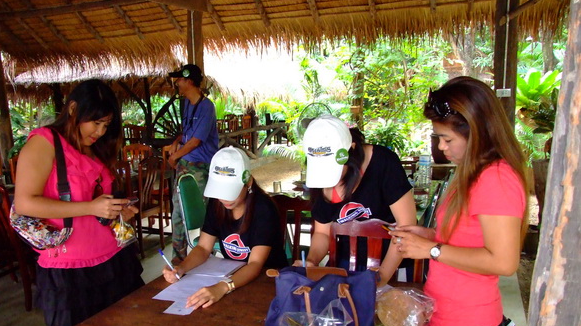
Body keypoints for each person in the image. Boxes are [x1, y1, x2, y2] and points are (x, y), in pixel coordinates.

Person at [393, 76, 528, 326]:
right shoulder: (470, 172)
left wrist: (431, 251)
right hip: (460, 320)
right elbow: (465, 241)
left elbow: (502, 261)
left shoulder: (495, 178)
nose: (441, 147)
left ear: (478, 130)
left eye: (447, 139)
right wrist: (426, 235)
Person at [14, 79, 144, 326]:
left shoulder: (92, 148)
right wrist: (91, 208)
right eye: (96, 122)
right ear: (73, 109)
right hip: (68, 267)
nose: (101, 131)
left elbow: (97, 200)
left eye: (106, 124)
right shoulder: (45, 142)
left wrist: (115, 210)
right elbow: (25, 203)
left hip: (113, 258)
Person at [295, 115, 416, 286]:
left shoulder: (383, 163)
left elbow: (406, 227)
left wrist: (380, 279)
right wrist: (312, 261)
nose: (330, 180)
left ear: (351, 150)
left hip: (393, 265)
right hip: (345, 265)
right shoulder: (317, 179)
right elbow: (322, 232)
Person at [162, 147, 287, 310]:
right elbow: (203, 248)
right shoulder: (216, 204)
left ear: (248, 182)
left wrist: (223, 287)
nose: (224, 199)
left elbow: (255, 264)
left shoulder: (263, 208)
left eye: (230, 191)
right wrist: (181, 268)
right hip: (234, 278)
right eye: (220, 191)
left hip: (267, 280)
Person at [167, 64, 219, 265]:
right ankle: (178, 260)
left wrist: (174, 157)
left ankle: (207, 257)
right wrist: (176, 142)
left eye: (179, 79)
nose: (176, 83)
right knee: (178, 212)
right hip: (186, 164)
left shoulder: (207, 107)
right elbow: (187, 132)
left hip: (200, 167)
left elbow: (196, 140)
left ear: (189, 81)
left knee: (202, 214)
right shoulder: (187, 104)